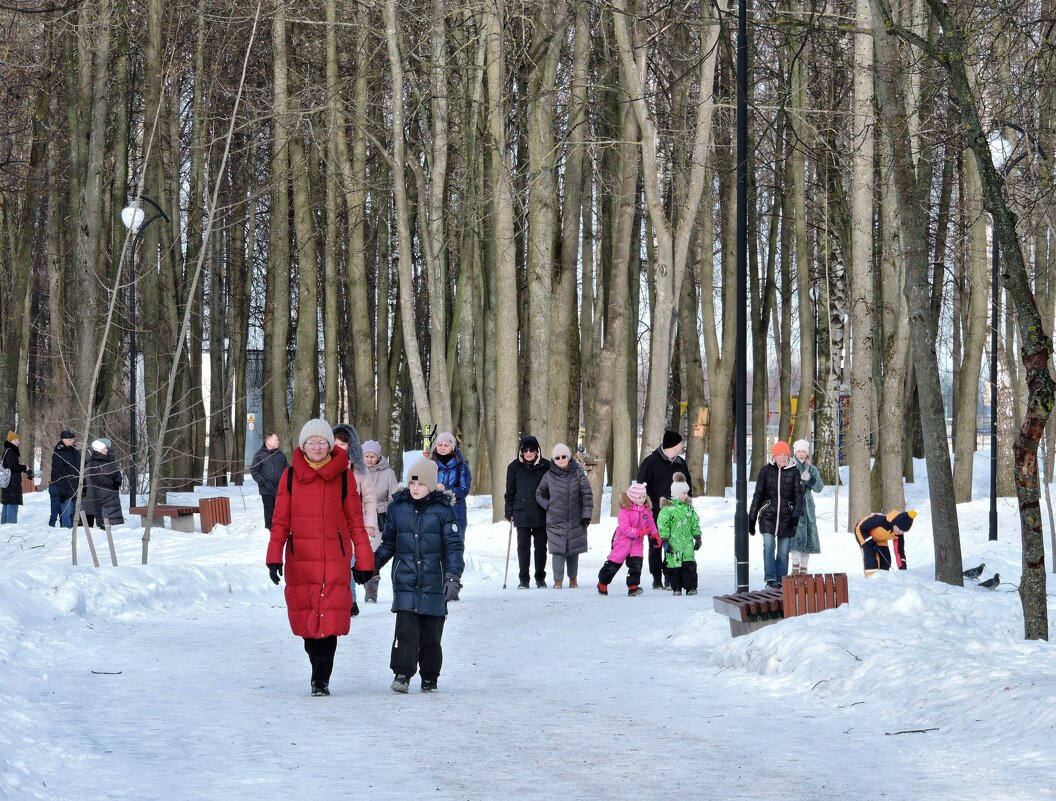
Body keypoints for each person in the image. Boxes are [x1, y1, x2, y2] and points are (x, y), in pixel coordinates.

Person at [266, 419, 374, 697]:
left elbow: (355, 522)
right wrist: (273, 557)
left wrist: (364, 562)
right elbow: (279, 521)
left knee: (329, 623)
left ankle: (320, 678)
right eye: (311, 442)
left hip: (334, 560)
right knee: (307, 624)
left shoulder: (344, 476)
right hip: (301, 560)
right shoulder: (289, 476)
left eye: (322, 442)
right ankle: (318, 666)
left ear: (330, 445)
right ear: (303, 446)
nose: (316, 446)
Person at [373, 457, 464, 693]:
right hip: (406, 580)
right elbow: (389, 544)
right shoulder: (398, 508)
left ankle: (430, 677)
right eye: (412, 483)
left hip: (434, 582)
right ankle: (402, 674)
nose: (415, 488)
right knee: (405, 632)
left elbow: (454, 546)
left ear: (431, 486)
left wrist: (453, 576)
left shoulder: (443, 510)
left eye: (421, 484)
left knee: (431, 635)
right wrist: (371, 565)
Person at [636, 429, 693, 589]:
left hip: (676, 512)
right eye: (681, 442)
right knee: (656, 544)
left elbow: (688, 485)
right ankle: (656, 577)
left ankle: (670, 575)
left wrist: (687, 505)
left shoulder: (681, 463)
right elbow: (641, 486)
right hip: (655, 511)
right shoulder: (650, 462)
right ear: (673, 445)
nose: (683, 445)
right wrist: (645, 507)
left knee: (673, 544)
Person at [535, 443, 592, 589]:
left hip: (575, 517)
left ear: (568, 457)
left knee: (573, 550)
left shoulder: (578, 473)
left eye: (563, 456)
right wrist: (548, 505)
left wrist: (586, 514)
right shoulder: (548, 476)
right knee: (558, 550)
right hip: (555, 519)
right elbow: (538, 494)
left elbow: (587, 494)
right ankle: (557, 581)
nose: (561, 459)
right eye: (557, 457)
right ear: (554, 460)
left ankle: (573, 580)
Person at [748, 441, 804, 588]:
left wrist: (795, 516)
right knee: (768, 545)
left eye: (785, 455)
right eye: (780, 455)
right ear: (775, 456)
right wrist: (752, 518)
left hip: (787, 517)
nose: (783, 457)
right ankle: (770, 579)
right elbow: (758, 495)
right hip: (768, 516)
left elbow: (799, 497)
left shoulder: (794, 471)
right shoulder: (765, 471)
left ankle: (781, 580)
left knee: (784, 551)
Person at [333, 423, 375, 617]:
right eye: (336, 444)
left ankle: (351, 601)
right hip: (332, 523)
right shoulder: (327, 468)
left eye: (344, 444)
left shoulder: (359, 470)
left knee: (349, 563)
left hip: (353, 524)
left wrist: (370, 524)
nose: (340, 448)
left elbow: (368, 498)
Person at [504, 435, 550, 589]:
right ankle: (523, 579)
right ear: (521, 451)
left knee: (541, 547)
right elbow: (510, 492)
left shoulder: (546, 466)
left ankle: (540, 578)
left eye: (532, 450)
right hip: (521, 511)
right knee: (523, 547)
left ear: (537, 451)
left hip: (541, 512)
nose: (529, 453)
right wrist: (508, 510)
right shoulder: (514, 467)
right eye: (525, 450)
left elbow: (552, 489)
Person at [597, 481, 659, 596]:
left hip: (637, 543)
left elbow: (651, 524)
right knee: (613, 564)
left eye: (644, 496)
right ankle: (603, 582)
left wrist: (655, 535)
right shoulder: (625, 510)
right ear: (632, 498)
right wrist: (639, 532)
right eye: (639, 497)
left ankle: (633, 586)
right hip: (622, 541)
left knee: (636, 564)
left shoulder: (646, 510)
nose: (642, 499)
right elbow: (625, 528)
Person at [361, 439, 399, 604]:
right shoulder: (356, 470)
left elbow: (394, 496)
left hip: (379, 518)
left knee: (373, 555)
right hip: (359, 517)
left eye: (372, 456)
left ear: (378, 456)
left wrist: (389, 514)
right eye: (366, 456)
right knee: (359, 555)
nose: (369, 459)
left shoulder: (388, 473)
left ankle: (371, 591)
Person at [657, 473, 702, 596]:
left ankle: (691, 587)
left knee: (689, 565)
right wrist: (665, 540)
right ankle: (676, 587)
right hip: (674, 543)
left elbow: (694, 522)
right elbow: (663, 525)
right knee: (674, 566)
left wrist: (697, 537)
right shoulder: (667, 509)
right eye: (683, 493)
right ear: (676, 493)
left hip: (687, 543)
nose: (685, 495)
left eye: (686, 493)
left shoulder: (689, 508)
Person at [789, 439, 824, 575]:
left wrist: (809, 479)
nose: (801, 454)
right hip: (794, 507)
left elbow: (819, 487)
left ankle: (804, 569)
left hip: (808, 507)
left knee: (808, 539)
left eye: (804, 451)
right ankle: (795, 568)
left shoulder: (812, 469)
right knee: (796, 538)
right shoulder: (790, 466)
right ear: (795, 452)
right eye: (799, 451)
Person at [430, 431, 471, 537]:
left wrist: (445, 488)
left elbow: (463, 490)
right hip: (434, 512)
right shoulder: (430, 465)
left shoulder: (462, 467)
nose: (442, 447)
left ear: (452, 447)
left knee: (454, 547)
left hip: (455, 511)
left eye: (446, 445)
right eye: (439, 445)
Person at [855, 509, 915, 575]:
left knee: (886, 559)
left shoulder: (899, 534)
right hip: (862, 531)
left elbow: (899, 551)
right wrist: (871, 542)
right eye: (899, 529)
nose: (900, 532)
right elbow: (862, 528)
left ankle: (883, 580)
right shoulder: (881, 521)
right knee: (871, 556)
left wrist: (902, 567)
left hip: (879, 538)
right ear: (895, 523)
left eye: (903, 531)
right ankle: (871, 579)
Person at [83, 439, 124, 529]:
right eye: (105, 448)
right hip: (102, 495)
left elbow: (117, 472)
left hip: (113, 494)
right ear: (99, 449)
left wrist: (118, 481)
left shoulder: (110, 460)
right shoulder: (94, 463)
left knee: (114, 523)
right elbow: (98, 478)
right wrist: (112, 483)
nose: (107, 450)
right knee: (105, 520)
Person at [250, 433, 288, 530]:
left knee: (280, 510)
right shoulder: (259, 455)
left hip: (280, 489)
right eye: (276, 440)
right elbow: (254, 470)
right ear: (268, 441)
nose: (278, 442)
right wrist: (263, 482)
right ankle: (269, 529)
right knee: (269, 509)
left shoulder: (280, 455)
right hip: (266, 489)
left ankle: (279, 528)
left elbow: (287, 470)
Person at [49, 430, 80, 528]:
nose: (72, 441)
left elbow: (79, 469)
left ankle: (73, 532)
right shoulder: (59, 452)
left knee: (74, 513)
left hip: (75, 486)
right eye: (70, 439)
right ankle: (65, 533)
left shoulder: (75, 451)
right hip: (65, 488)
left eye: (73, 439)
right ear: (64, 439)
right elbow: (56, 473)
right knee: (66, 514)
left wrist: (83, 486)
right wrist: (62, 492)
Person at [1, 431, 32, 524]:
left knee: (7, 503)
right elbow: (13, 466)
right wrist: (24, 467)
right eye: (15, 440)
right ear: (10, 441)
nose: (17, 441)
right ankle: (11, 526)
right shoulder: (10, 451)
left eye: (18, 440)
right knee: (12, 504)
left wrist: (23, 468)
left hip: (8, 482)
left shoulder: (7, 450)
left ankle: (3, 525)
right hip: (12, 483)